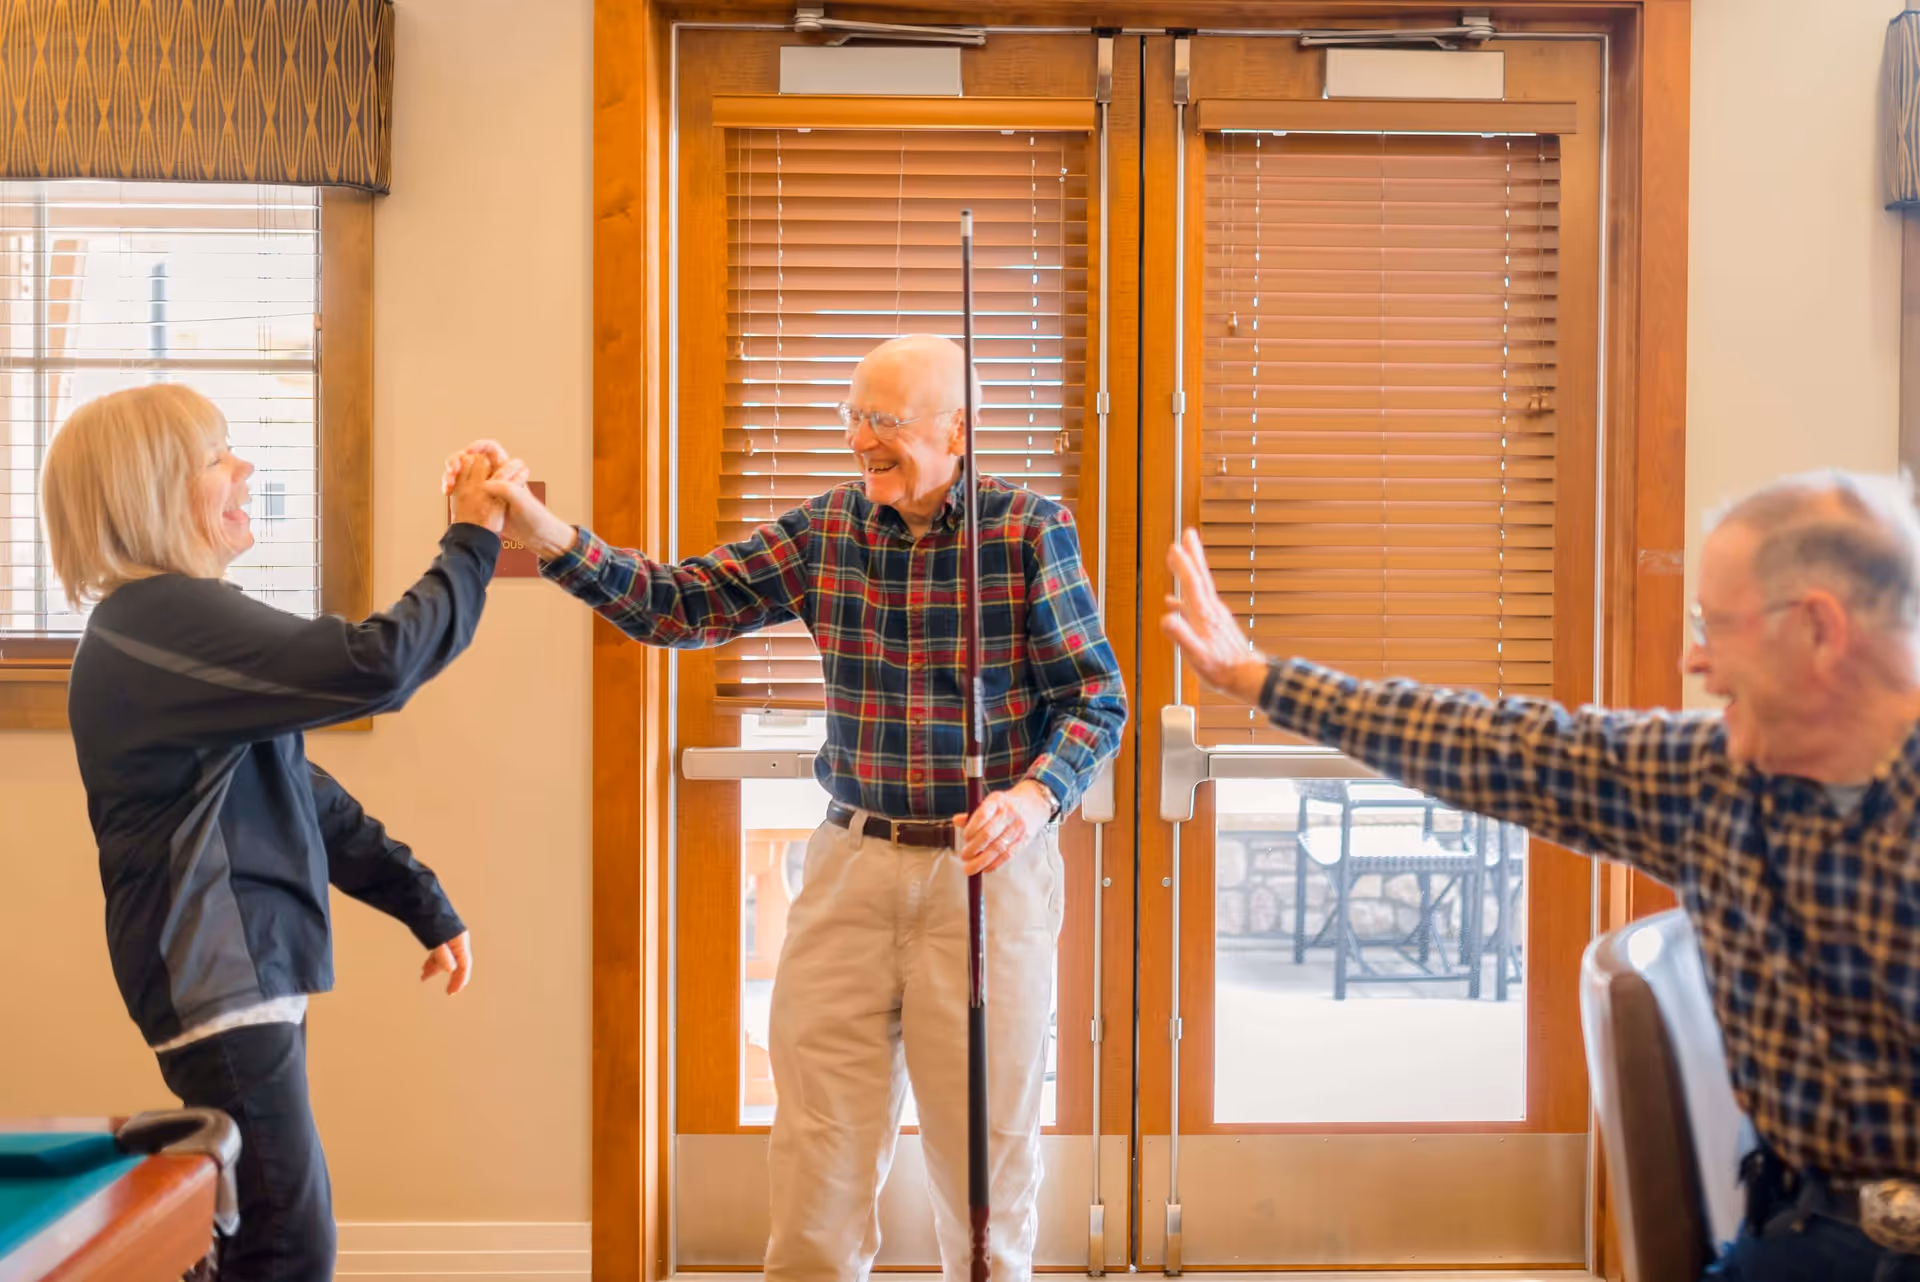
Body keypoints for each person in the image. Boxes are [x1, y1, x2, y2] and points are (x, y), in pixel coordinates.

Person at [451, 333, 1126, 1282]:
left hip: (986, 874)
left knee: (984, 1179)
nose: (861, 441)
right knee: (817, 1164)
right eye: (852, 417)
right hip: (851, 865)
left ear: (957, 430)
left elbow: (1096, 700)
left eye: (883, 422)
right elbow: (679, 604)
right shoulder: (825, 532)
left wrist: (1032, 796)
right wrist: (545, 534)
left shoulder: (1026, 530)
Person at [1159, 471, 1920, 1281]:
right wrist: (1260, 680)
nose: (1694, 658)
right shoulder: (1714, 785)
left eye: (1715, 625)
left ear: (1817, 630)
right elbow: (1503, 745)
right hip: (1804, 1236)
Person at [42, 383, 525, 1282]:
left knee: (249, 1234)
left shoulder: (166, 630)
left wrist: (423, 902)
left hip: (238, 974)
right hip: (217, 974)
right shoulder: (160, 621)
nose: (245, 469)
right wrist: (471, 540)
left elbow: (304, 792)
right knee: (286, 1244)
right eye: (217, 455)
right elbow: (378, 665)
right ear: (152, 491)